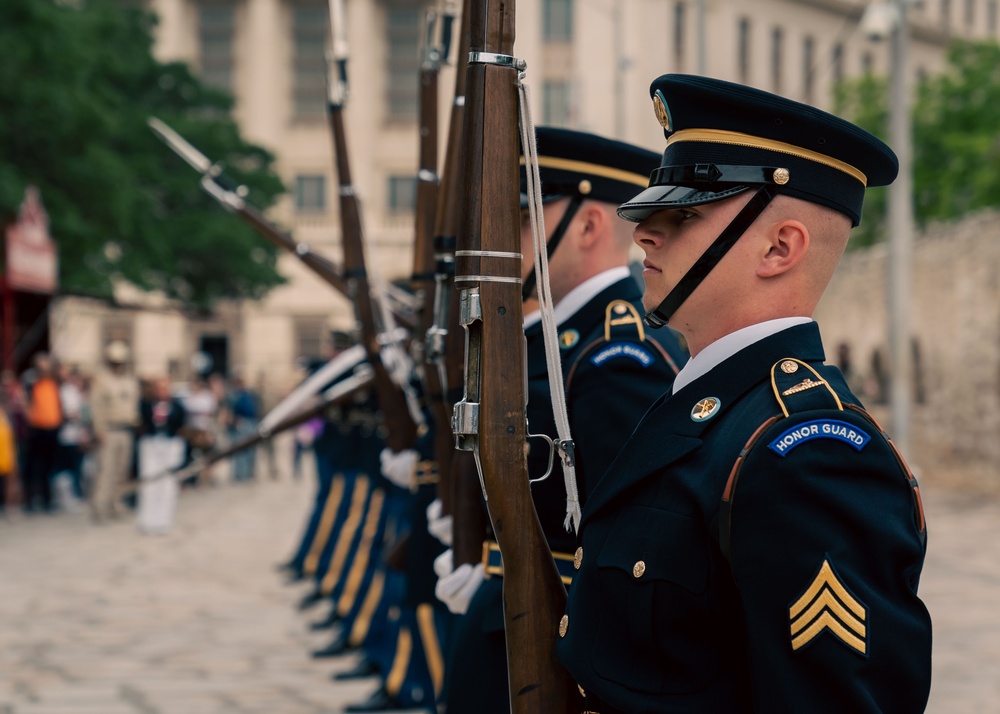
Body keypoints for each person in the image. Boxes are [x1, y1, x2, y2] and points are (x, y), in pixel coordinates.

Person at [555, 74, 932, 712]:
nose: (646, 233)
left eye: (685, 214)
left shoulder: (808, 452)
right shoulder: (708, 409)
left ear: (779, 247)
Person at [439, 127, 688, 713]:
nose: (508, 239)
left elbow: (624, 538)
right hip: (514, 611)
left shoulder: (615, 353)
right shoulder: (555, 340)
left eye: (524, 220)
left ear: (588, 225)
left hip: (550, 628)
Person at [89, 341, 140, 522]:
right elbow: (97, 408)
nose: (119, 365)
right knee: (105, 471)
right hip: (109, 430)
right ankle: (100, 506)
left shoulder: (129, 380)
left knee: (121, 471)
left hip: (126, 430)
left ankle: (116, 503)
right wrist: (99, 430)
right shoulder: (102, 380)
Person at [22, 352, 62, 513]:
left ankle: (47, 499)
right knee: (33, 466)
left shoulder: (54, 381)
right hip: (36, 428)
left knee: (48, 466)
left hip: (52, 428)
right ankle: (30, 500)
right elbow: (24, 400)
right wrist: (29, 420)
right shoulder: (31, 379)